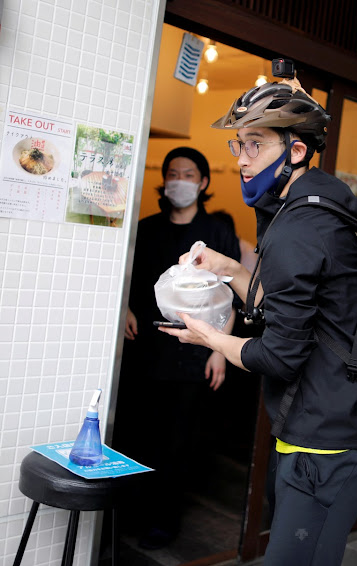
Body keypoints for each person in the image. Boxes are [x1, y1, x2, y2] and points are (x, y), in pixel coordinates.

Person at [160, 77, 357, 565]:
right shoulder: (316, 207)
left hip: (327, 444)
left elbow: (278, 355)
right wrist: (231, 269)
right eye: (239, 144)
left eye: (256, 144)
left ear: (298, 150)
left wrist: (209, 337)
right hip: (331, 427)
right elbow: (286, 307)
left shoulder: (301, 228)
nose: (241, 159)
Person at [115, 146, 241, 550]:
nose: (179, 180)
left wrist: (219, 350)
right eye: (173, 173)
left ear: (203, 183)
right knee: (137, 434)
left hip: (194, 353)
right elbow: (124, 279)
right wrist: (125, 309)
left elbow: (230, 298)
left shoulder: (217, 234)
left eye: (188, 174)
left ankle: (163, 522)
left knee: (179, 442)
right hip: (144, 350)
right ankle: (129, 515)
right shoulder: (147, 228)